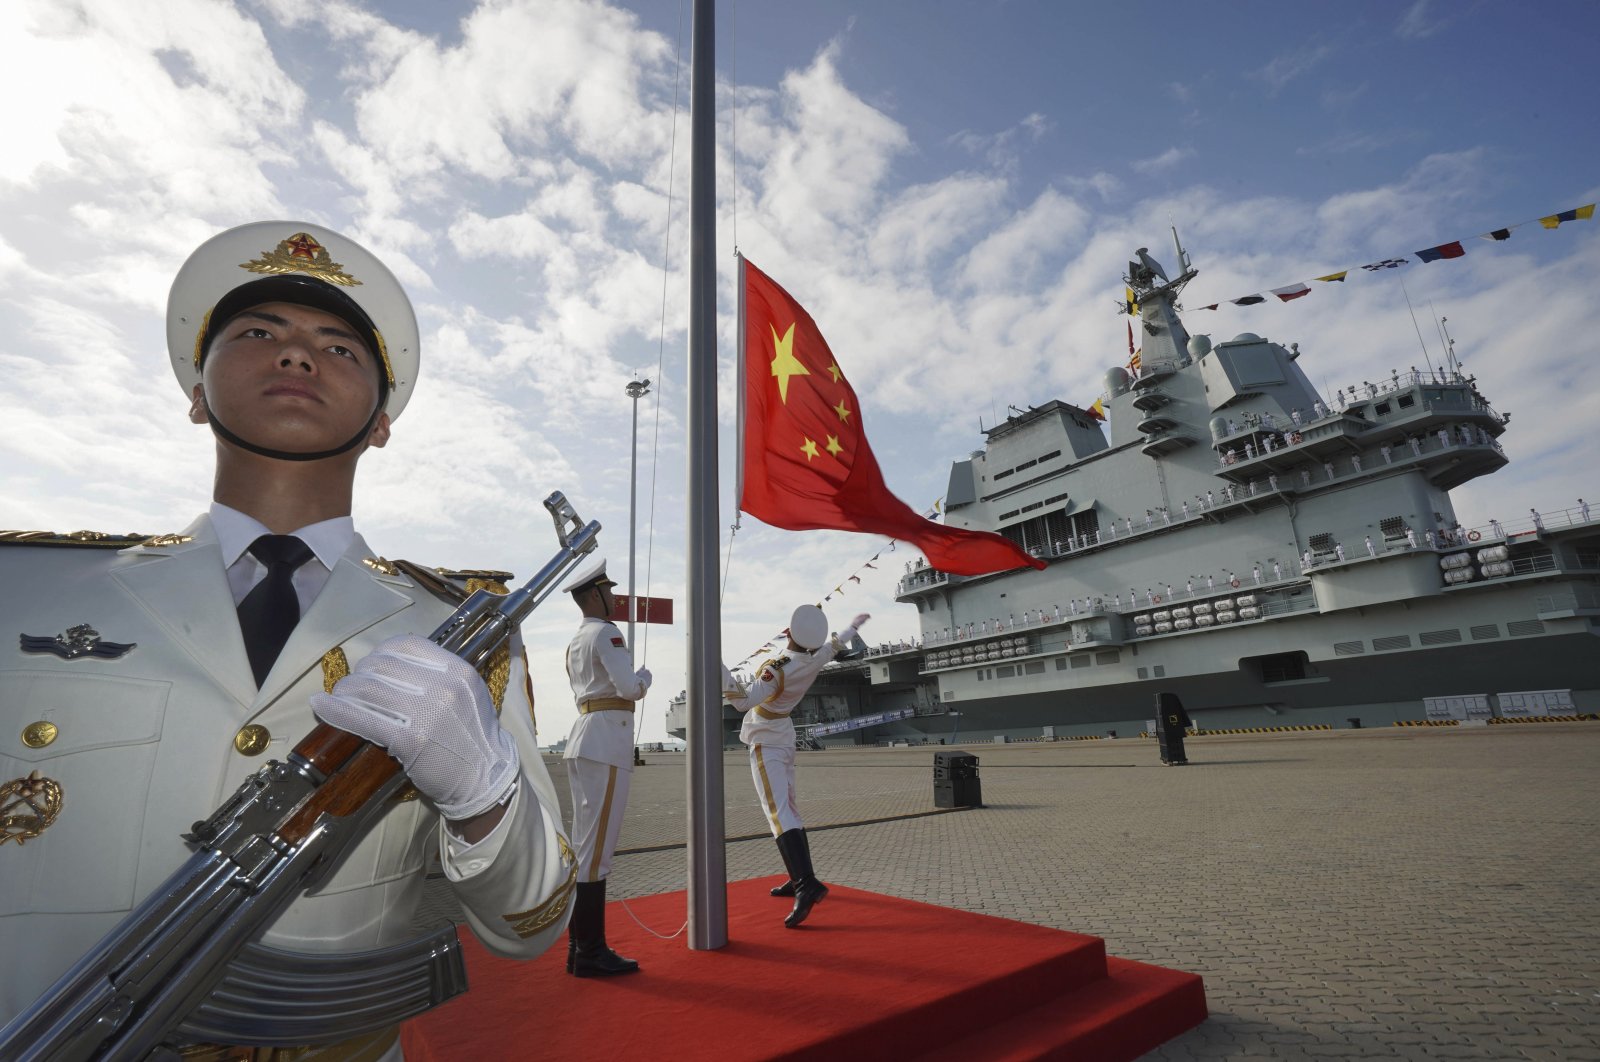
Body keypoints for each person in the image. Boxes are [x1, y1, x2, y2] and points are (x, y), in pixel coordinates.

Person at [0, 222, 574, 1053]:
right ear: (197, 393)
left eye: (339, 347)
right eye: (259, 333)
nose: (298, 355)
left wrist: (485, 798)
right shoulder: (23, 590)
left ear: (380, 422)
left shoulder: (460, 636)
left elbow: (531, 920)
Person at [722, 606, 869, 928]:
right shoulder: (815, 658)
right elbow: (835, 645)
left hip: (766, 739)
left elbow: (744, 703)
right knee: (789, 807)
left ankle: (806, 883)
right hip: (785, 736)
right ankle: (797, 876)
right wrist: (853, 625)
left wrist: (718, 670)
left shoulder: (777, 668)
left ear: (788, 632)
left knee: (777, 812)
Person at [560, 555, 652, 976]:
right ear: (594, 594)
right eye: (609, 590)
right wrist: (646, 678)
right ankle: (591, 953)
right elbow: (629, 688)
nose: (614, 597)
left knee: (584, 849)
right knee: (596, 854)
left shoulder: (576, 639)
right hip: (606, 741)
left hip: (584, 737)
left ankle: (579, 946)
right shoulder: (607, 634)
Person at [1154, 692, 1192, 766]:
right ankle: (1181, 759)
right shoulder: (1174, 700)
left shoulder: (1160, 706)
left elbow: (1159, 718)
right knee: (1177, 742)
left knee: (1168, 743)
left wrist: (1158, 732)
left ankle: (1169, 759)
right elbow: (1182, 713)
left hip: (1166, 731)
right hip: (1176, 729)